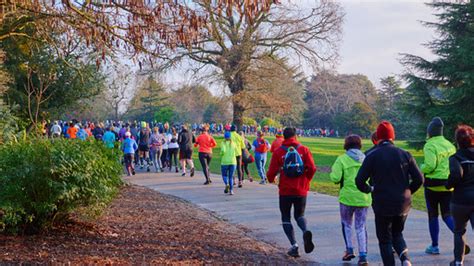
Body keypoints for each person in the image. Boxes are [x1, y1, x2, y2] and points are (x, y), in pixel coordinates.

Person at [356, 121, 423, 266]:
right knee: (397, 233)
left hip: (382, 202)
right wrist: (408, 191)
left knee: (385, 239)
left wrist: (370, 189)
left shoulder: (372, 156)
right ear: (393, 136)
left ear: (378, 137)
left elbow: (359, 180)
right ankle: (405, 259)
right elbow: (419, 179)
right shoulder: (405, 154)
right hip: (402, 202)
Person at [266, 127, 317, 258]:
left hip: (285, 190)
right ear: (296, 136)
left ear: (283, 137)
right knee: (300, 215)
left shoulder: (278, 152)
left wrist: (271, 179)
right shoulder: (304, 149)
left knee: (285, 217)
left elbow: (271, 172)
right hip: (301, 189)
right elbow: (312, 168)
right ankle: (305, 230)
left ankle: (294, 246)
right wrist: (307, 180)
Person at [330, 135, 371, 265]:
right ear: (360, 145)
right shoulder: (367, 159)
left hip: (346, 198)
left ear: (346, 145)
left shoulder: (341, 159)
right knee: (361, 226)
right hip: (363, 197)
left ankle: (349, 249)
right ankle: (363, 255)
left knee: (347, 224)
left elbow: (335, 178)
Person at [421, 117, 457, 255]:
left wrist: (421, 167)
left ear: (430, 132)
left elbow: (430, 165)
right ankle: (460, 237)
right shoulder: (450, 145)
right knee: (447, 215)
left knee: (433, 215)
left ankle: (434, 246)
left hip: (433, 186)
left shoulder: (430, 145)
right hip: (448, 185)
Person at [446, 125, 474, 266]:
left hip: (460, 201)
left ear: (457, 141)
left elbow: (456, 175)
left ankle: (458, 261)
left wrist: (448, 185)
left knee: (459, 231)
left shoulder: (455, 157)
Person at [220, 131, 238, 195]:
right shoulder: (234, 143)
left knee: (224, 175)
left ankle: (226, 184)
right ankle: (231, 190)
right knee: (231, 177)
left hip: (225, 162)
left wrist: (221, 154)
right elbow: (236, 151)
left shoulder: (223, 143)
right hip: (233, 162)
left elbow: (223, 151)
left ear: (224, 137)